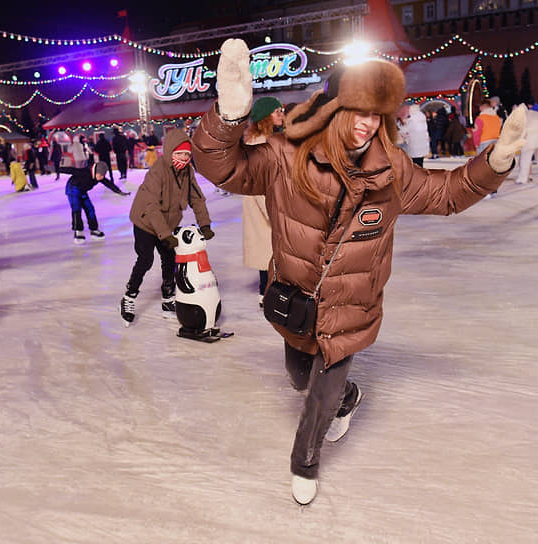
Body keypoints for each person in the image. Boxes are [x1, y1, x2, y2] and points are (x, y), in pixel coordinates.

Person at [192, 39, 526, 506]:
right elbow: (220, 166)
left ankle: (304, 463)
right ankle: (349, 398)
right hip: (298, 302)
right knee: (298, 376)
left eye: (378, 115)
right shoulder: (287, 156)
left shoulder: (392, 170)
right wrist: (228, 116)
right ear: (333, 108)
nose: (367, 124)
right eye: (358, 111)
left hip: (351, 306)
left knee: (318, 398)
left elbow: (449, 193)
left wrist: (495, 163)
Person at [120, 128, 214, 325]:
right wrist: (164, 234)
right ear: (171, 151)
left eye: (187, 155)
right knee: (146, 259)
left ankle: (167, 299)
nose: (184, 158)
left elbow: (196, 197)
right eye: (179, 153)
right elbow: (151, 206)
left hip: (167, 224)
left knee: (170, 259)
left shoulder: (187, 172)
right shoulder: (158, 171)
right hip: (145, 221)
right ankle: (129, 297)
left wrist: (204, 224)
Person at [242, 96, 283, 307]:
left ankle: (270, 291)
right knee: (267, 249)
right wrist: (272, 211)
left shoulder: (273, 140)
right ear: (266, 117)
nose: (281, 115)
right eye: (277, 112)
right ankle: (265, 293)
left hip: (276, 201)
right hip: (264, 203)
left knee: (274, 250)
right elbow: (257, 184)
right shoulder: (258, 144)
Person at [62, 161, 129, 244]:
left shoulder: (99, 176)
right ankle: (78, 231)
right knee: (77, 209)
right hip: (72, 189)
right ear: (96, 172)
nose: (101, 177)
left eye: (103, 176)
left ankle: (94, 229)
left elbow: (108, 183)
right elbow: (70, 170)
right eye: (100, 175)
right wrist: (55, 168)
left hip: (82, 191)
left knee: (90, 209)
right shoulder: (85, 172)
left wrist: (119, 192)